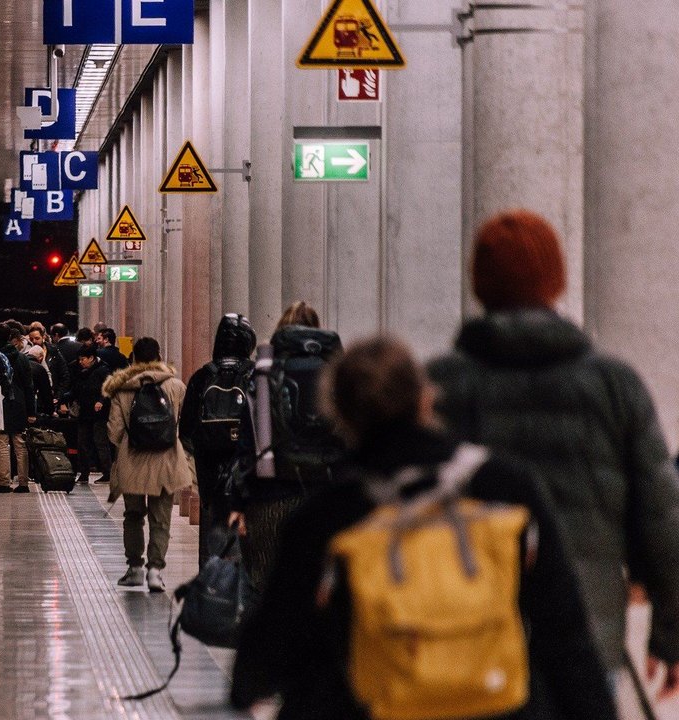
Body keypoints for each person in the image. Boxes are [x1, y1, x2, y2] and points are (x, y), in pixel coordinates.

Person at [231, 336, 616, 720]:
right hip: (496, 706)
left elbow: (269, 650)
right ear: (426, 399)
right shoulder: (506, 487)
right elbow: (565, 633)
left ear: (340, 415)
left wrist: (249, 684)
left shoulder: (326, 517)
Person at [427, 209, 679, 695]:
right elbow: (661, 519)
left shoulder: (440, 385)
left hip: (465, 633)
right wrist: (669, 635)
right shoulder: (612, 384)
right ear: (556, 282)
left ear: (480, 285)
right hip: (583, 634)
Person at [228, 301, 343, 590]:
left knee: (264, 587)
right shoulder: (341, 374)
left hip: (270, 496)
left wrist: (238, 502)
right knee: (320, 589)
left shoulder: (264, 373)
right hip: (327, 498)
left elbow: (248, 441)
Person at [103, 337, 193, 593]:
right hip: (166, 460)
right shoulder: (176, 386)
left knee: (133, 515)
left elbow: (114, 430)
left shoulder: (122, 389)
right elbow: (184, 425)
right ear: (159, 357)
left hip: (132, 460)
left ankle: (134, 568)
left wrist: (127, 443)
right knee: (160, 517)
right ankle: (155, 571)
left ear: (133, 359)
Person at [179, 313, 256, 565]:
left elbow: (186, 429)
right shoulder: (254, 376)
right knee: (248, 535)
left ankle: (212, 584)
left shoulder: (202, 376)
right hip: (248, 470)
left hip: (210, 471)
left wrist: (204, 453)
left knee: (212, 528)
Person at [0, 324, 36, 493]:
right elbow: (28, 386)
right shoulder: (22, 358)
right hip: (19, 404)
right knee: (20, 444)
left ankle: (4, 482)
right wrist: (31, 411)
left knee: (2, 444)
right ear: (11, 336)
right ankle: (23, 483)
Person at [69, 344, 113, 484]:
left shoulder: (103, 370)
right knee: (82, 442)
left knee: (100, 442)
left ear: (92, 358)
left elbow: (109, 388)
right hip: (85, 411)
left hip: (99, 413)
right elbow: (76, 388)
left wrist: (101, 401)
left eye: (83, 359)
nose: (80, 362)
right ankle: (84, 473)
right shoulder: (81, 371)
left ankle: (107, 472)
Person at [29, 324, 69, 415]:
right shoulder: (27, 354)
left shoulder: (54, 352)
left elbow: (64, 375)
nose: (34, 341)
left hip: (52, 398)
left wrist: (58, 396)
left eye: (37, 338)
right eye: (31, 339)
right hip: (35, 400)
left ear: (43, 337)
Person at [24, 344, 54, 421]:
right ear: (41, 357)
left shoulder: (21, 364)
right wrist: (50, 411)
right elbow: (46, 392)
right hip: (31, 402)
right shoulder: (40, 369)